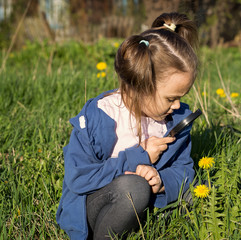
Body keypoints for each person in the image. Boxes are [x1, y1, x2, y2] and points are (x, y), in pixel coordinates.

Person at [56, 12, 199, 239]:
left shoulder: (175, 119)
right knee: (135, 188)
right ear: (139, 86)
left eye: (182, 96)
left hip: (147, 202)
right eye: (170, 98)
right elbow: (79, 178)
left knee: (204, 190)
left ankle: (148, 223)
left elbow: (185, 170)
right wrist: (139, 157)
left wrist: (162, 182)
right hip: (99, 204)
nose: (178, 105)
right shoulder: (100, 117)